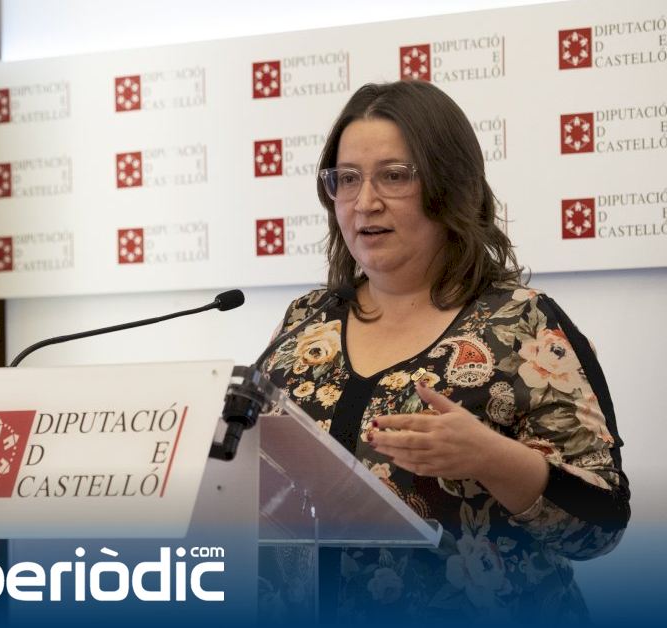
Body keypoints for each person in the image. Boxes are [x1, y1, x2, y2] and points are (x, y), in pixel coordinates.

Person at [256, 81, 629, 624]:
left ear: (449, 185)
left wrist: (490, 457)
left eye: (394, 176)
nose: (365, 201)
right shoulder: (305, 322)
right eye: (348, 178)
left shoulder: (524, 324)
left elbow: (603, 524)